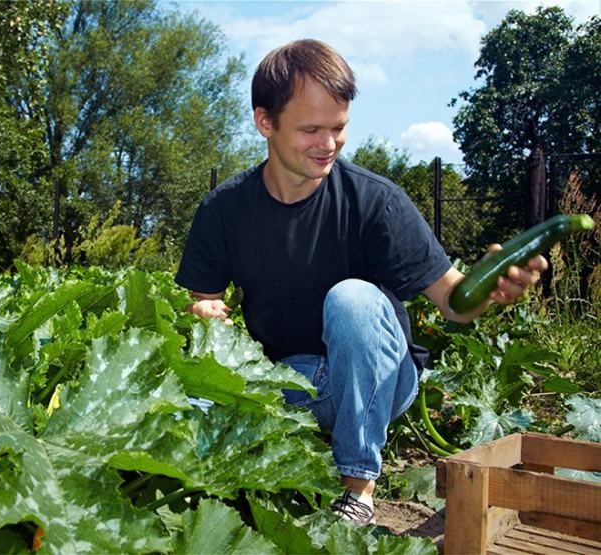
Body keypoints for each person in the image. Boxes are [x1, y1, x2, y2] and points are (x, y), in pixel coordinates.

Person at [174, 39, 548, 526]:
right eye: (310, 129)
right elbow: (203, 301)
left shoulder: (376, 201)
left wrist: (492, 287)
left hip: (381, 378)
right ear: (265, 122)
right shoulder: (224, 210)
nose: (327, 144)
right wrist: (205, 312)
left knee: (353, 298)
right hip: (290, 380)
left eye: (338, 128)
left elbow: (454, 303)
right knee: (195, 398)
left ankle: (357, 489)